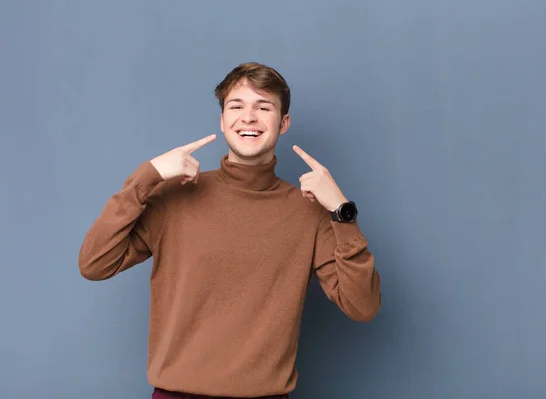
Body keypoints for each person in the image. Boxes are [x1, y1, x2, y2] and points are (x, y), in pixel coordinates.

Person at [78, 62, 381, 399]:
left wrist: (342, 213)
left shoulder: (309, 211)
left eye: (263, 107)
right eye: (236, 106)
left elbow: (362, 306)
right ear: (222, 121)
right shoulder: (174, 197)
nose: (248, 117)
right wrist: (145, 177)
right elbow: (94, 263)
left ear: (283, 124)